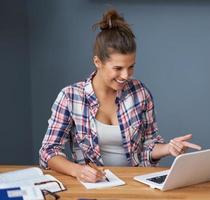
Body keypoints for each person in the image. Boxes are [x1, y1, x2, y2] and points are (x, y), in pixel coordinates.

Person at [39, 9, 201, 183]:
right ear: (97, 62)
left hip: (135, 184)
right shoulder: (70, 97)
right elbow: (48, 151)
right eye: (117, 68)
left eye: (131, 67)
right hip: (94, 186)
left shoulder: (140, 93)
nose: (126, 75)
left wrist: (169, 148)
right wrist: (77, 170)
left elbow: (147, 148)